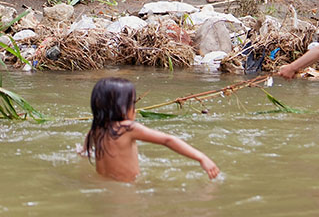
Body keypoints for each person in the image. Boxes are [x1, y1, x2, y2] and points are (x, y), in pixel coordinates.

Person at [83, 76, 220, 182]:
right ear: (122, 107)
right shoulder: (128, 128)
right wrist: (201, 158)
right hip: (128, 187)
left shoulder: (95, 130)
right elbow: (167, 140)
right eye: (133, 103)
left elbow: (84, 150)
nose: (135, 109)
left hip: (106, 187)